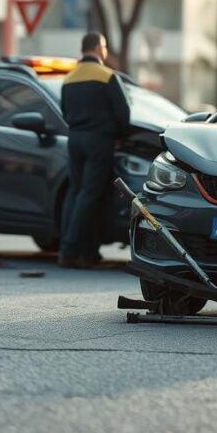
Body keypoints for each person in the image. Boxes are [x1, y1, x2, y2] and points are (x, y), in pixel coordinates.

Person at [58, 32, 130, 268]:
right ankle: (69, 250)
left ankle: (86, 250)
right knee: (89, 195)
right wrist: (120, 137)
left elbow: (65, 112)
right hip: (99, 141)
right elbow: (123, 114)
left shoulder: (69, 78)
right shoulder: (107, 76)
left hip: (75, 139)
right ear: (100, 48)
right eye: (105, 47)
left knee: (76, 193)